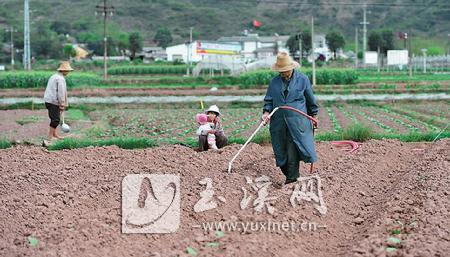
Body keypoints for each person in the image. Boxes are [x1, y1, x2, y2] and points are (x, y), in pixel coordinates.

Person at [262, 52, 319, 185]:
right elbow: (269, 100)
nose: (284, 74)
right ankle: (291, 175)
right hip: (279, 123)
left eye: (286, 71)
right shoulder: (274, 82)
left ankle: (291, 180)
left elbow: (310, 99)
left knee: (292, 151)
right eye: (281, 72)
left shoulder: (302, 79)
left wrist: (314, 115)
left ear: (292, 68)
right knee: (280, 153)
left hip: (297, 122)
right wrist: (266, 112)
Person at [42, 61, 74, 146]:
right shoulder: (60, 79)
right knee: (56, 120)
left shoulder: (54, 76)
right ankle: (49, 138)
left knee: (54, 118)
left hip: (48, 101)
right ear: (63, 70)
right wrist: (62, 104)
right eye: (67, 70)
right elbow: (61, 93)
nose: (68, 72)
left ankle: (54, 134)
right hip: (54, 101)